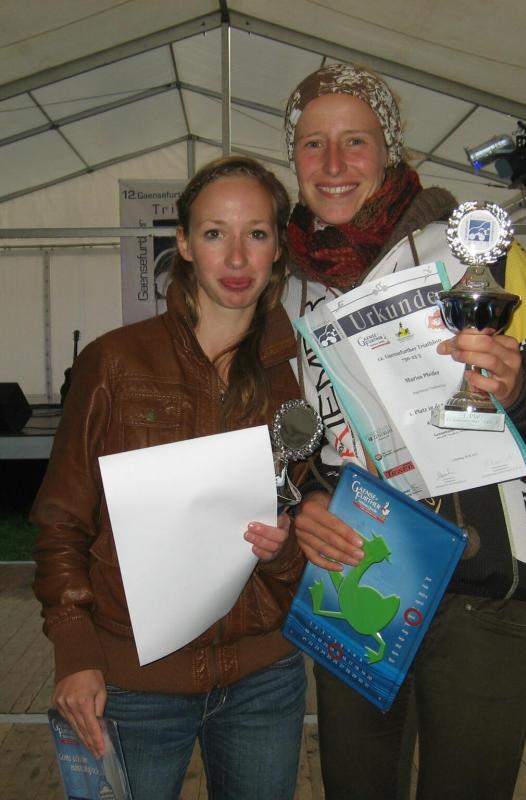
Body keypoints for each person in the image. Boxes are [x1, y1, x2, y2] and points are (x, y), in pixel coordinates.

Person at [281, 64, 526, 800]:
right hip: (359, 581)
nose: (333, 164)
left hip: (484, 592)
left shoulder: (474, 252)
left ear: (389, 149)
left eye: (355, 141)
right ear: (292, 158)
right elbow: (295, 442)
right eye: (312, 144)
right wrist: (307, 499)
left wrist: (519, 390)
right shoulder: (287, 287)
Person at [31, 156, 309, 800]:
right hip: (132, 684)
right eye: (214, 233)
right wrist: (75, 648)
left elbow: (309, 512)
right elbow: (61, 518)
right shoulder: (114, 362)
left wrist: (285, 549)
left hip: (265, 678)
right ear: (183, 244)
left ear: (277, 248)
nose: (236, 257)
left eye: (256, 233)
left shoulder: (296, 375)